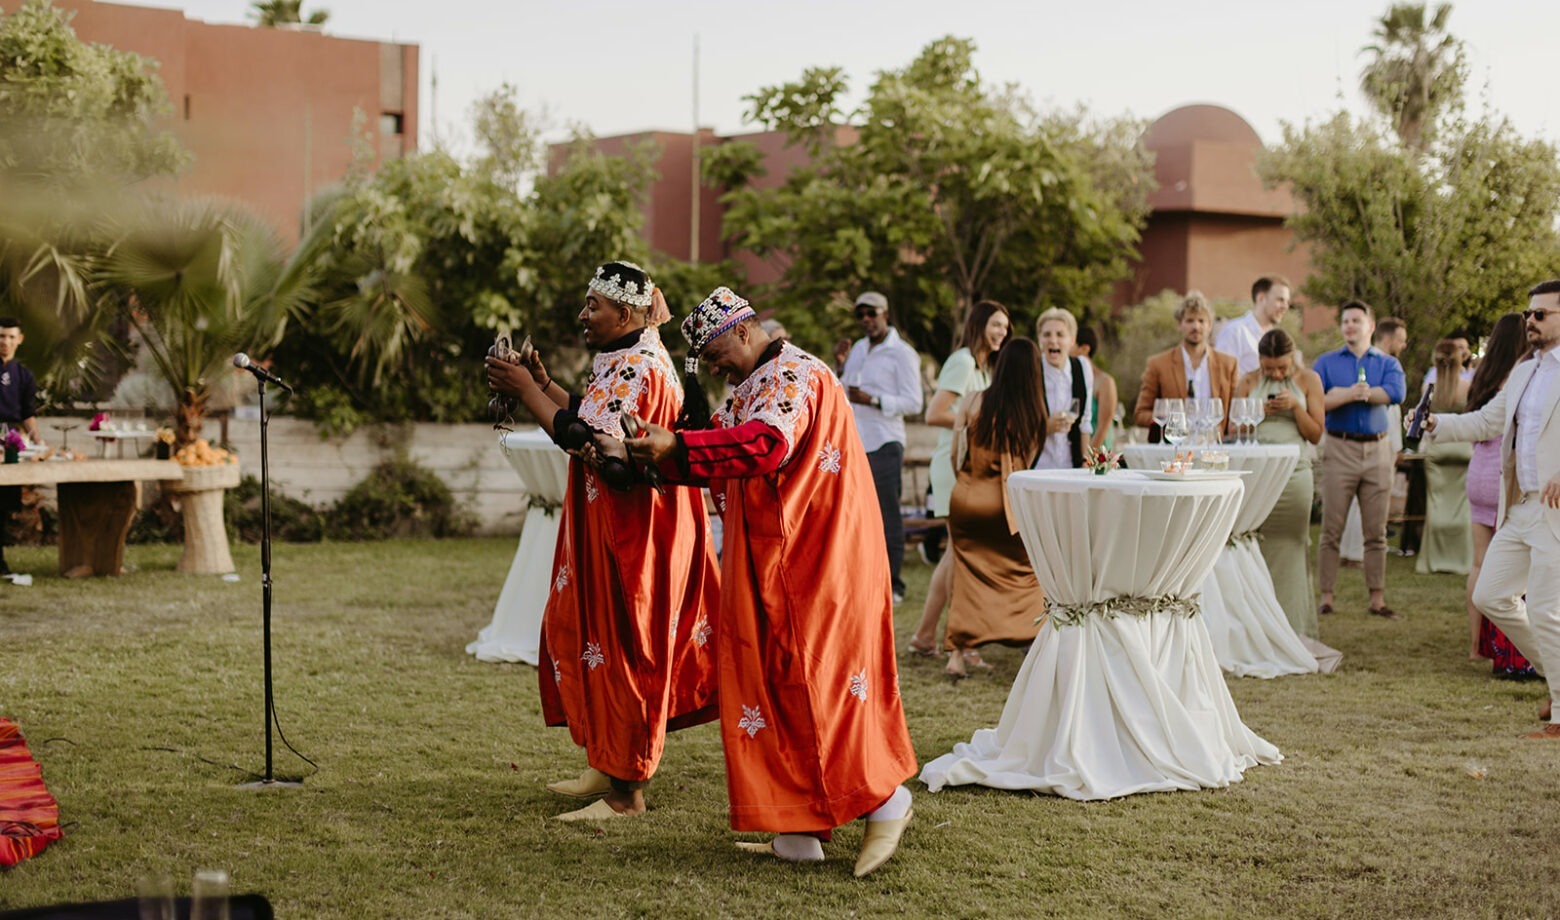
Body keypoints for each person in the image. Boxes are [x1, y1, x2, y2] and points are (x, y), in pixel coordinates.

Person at [622, 286, 916, 875]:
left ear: (743, 330)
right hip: (777, 558)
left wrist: (675, 445)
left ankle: (887, 800)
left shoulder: (793, 375)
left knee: (822, 683)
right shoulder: (752, 386)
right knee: (777, 682)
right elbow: (716, 456)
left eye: (715, 356)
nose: (715, 369)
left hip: (820, 558)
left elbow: (764, 446)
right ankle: (798, 828)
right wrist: (652, 453)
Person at [484, 261, 720, 821]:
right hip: (606, 524)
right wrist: (543, 385)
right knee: (595, 638)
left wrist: (525, 391)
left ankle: (626, 793)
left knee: (627, 645)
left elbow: (594, 445)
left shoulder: (641, 366)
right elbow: (589, 416)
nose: (582, 315)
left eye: (593, 306)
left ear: (627, 312)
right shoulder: (622, 356)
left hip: (634, 532)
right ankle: (607, 760)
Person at [1424, 279, 1560, 738]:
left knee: (1545, 609)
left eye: (1540, 314)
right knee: (1490, 595)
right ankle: (1558, 679)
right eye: (1528, 314)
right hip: (1519, 506)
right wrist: (1436, 423)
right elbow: (1488, 421)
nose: (1530, 322)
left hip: (1556, 511)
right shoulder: (1524, 370)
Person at [907, 301, 1010, 659]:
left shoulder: (984, 368)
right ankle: (963, 643)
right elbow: (934, 413)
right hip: (951, 467)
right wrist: (980, 423)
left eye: (1005, 327)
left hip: (970, 467)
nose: (1001, 332)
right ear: (979, 325)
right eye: (995, 325)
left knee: (955, 553)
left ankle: (924, 636)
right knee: (962, 554)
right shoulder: (963, 362)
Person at [943, 338, 1046, 680]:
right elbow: (1027, 463)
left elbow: (956, 452)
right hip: (1005, 506)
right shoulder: (1033, 412)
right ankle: (1030, 637)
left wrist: (967, 482)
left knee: (965, 574)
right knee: (1029, 571)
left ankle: (957, 655)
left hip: (966, 498)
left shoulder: (973, 399)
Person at [1314, 300, 1407, 620]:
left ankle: (1377, 599)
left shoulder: (1388, 363)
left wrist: (1358, 393)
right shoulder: (1326, 362)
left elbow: (1395, 393)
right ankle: (1326, 597)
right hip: (1339, 448)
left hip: (1378, 451)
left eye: (1356, 320)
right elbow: (1316, 401)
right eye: (1345, 321)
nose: (1350, 326)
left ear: (1371, 326)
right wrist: (1349, 393)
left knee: (1376, 531)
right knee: (1331, 528)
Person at [1455, 313, 1534, 670]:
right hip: (1507, 478)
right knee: (1517, 567)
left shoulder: (1481, 377)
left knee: (1479, 563)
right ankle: (1512, 651)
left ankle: (1476, 646)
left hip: (1479, 474)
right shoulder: (1521, 379)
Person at [1236, 329, 1325, 638]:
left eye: (1281, 368)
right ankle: (1256, 629)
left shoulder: (1309, 380)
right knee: (1252, 545)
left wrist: (1296, 407)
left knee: (1293, 545)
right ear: (1259, 361)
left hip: (1294, 473)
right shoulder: (1248, 381)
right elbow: (1232, 428)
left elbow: (1315, 434)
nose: (1275, 374)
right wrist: (1256, 412)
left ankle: (1293, 627)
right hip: (1256, 474)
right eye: (1268, 368)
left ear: (1292, 358)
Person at [841, 291, 924, 604]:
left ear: (885, 314)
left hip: (886, 441)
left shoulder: (902, 353)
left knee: (887, 514)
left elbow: (914, 402)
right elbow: (845, 389)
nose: (866, 320)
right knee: (858, 515)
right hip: (856, 442)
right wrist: (840, 365)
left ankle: (894, 585)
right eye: (860, 314)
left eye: (871, 313)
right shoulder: (858, 349)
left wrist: (875, 400)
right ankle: (865, 580)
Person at [1341, 317, 1412, 564]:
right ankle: (1358, 552)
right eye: (1401, 340)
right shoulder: (1383, 365)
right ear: (1389, 338)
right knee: (1371, 499)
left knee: (1358, 499)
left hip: (1371, 441)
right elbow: (1387, 410)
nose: (1403, 345)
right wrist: (1395, 447)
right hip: (1379, 441)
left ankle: (1350, 550)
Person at [1132, 291, 1239, 442]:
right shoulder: (1158, 364)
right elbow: (1140, 414)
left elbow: (1235, 414)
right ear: (1179, 324)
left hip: (1214, 446)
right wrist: (1170, 418)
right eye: (1189, 321)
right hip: (1174, 446)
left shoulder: (1228, 364)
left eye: (1201, 321)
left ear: (1210, 325)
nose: (1196, 326)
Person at [1416, 337, 1473, 576]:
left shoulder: (1427, 390)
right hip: (1463, 450)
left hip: (1437, 450)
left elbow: (1422, 420)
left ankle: (1434, 559)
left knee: (1436, 504)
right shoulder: (1468, 387)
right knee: (1462, 506)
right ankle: (1463, 559)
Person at [0, 317, 43, 578]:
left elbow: (28, 413)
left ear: (19, 339)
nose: (5, 342)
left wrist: (37, 439)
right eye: (1, 336)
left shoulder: (24, 375)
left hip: (12, 442)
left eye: (10, 337)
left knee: (4, 503)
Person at [1034, 308, 1093, 468]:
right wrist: (1046, 427)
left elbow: (1085, 421)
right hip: (1037, 467)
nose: (1053, 340)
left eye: (1060, 335)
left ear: (1072, 340)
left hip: (1071, 467)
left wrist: (1085, 463)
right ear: (1039, 339)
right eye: (1047, 334)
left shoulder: (1082, 368)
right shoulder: (1031, 370)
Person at [1214, 275, 1293, 376]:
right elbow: (1221, 376)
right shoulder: (1234, 331)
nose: (1285, 307)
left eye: (1287, 302)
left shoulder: (1278, 339)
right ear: (1261, 298)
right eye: (1280, 300)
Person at [1072, 326, 1118, 452]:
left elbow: (1102, 428)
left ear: (1084, 349)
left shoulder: (1105, 382)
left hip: (1098, 455)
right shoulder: (1068, 380)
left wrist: (1087, 457)